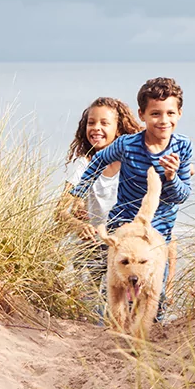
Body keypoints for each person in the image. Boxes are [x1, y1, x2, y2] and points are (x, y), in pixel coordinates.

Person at [70, 77, 193, 320]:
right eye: (155, 113)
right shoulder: (127, 145)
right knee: (116, 291)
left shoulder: (183, 147)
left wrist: (171, 176)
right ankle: (112, 333)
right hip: (123, 227)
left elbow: (181, 196)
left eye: (170, 113)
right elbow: (98, 161)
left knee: (153, 300)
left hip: (158, 232)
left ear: (179, 114)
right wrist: (78, 193)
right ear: (142, 115)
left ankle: (149, 331)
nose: (163, 120)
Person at [57, 97, 142, 295]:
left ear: (118, 129)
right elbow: (60, 211)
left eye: (104, 123)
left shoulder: (132, 162)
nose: (96, 127)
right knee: (94, 307)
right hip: (94, 247)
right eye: (91, 122)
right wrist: (79, 226)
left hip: (127, 247)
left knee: (132, 304)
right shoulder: (83, 165)